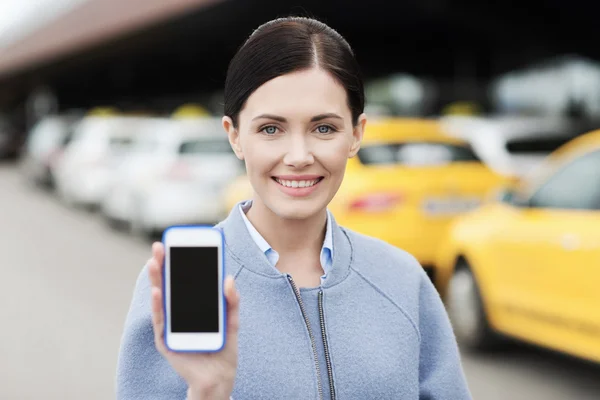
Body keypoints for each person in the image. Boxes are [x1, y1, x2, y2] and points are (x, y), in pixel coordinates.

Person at [116, 16, 472, 400]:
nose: (299, 157)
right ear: (234, 136)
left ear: (356, 134)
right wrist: (208, 393)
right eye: (271, 129)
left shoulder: (401, 280)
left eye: (324, 129)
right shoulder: (187, 283)